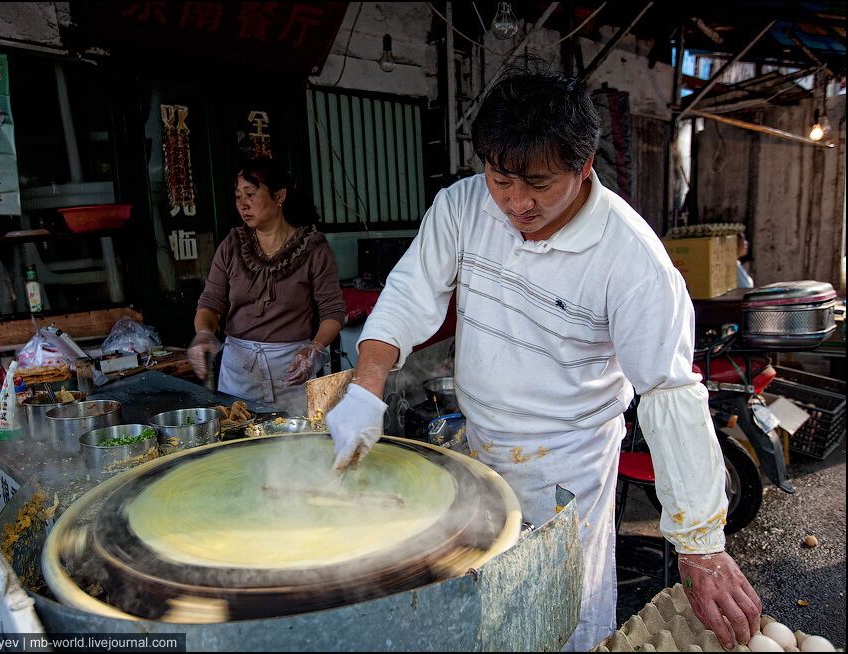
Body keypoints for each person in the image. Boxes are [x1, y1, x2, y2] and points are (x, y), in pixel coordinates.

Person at [326, 62, 762, 652]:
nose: (517, 203)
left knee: (564, 614)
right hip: (478, 450)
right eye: (502, 181)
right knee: (482, 610)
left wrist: (702, 544)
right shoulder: (464, 206)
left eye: (539, 185)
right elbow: (409, 295)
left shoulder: (631, 261)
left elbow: (669, 393)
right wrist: (365, 387)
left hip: (569, 470)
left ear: (583, 169)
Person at [188, 159, 346, 416]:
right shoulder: (231, 245)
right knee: (239, 441)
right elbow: (210, 303)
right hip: (239, 371)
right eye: (238, 196)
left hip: (293, 370)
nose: (243, 204)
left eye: (250, 194)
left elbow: (333, 312)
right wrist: (204, 333)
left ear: (279, 196)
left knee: (293, 446)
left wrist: (314, 349)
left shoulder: (314, 248)